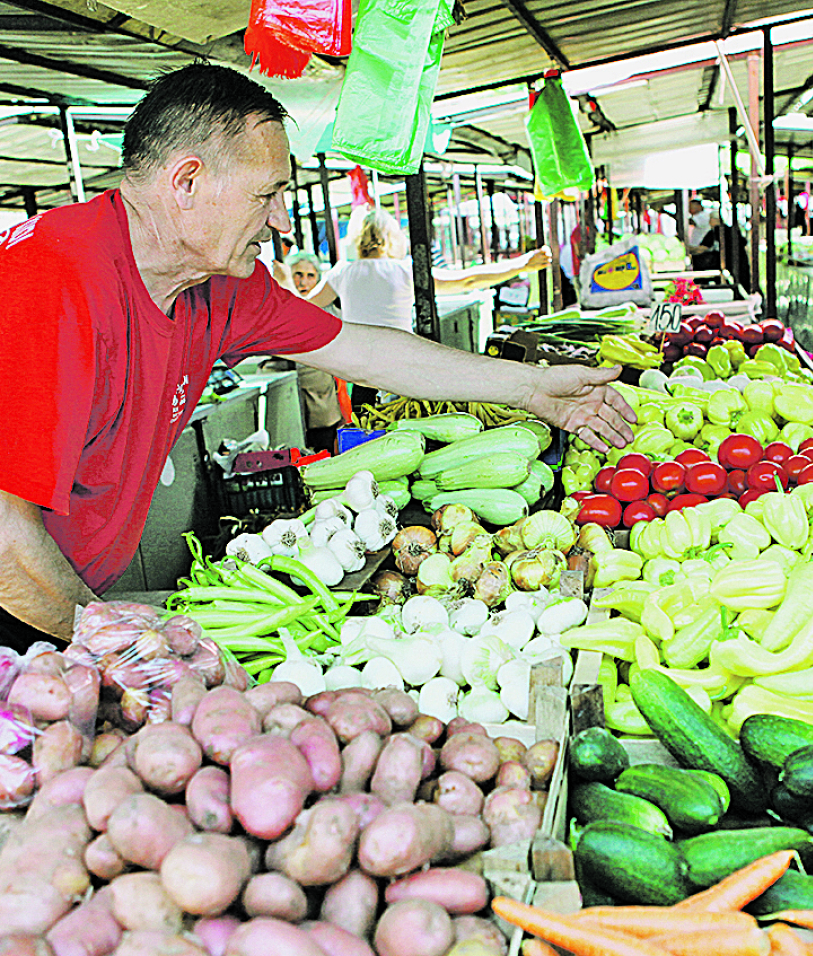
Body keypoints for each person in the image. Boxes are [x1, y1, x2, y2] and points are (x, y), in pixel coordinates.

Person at [0, 63, 633, 650]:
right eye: (267, 193)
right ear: (187, 181)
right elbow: (5, 542)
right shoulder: (45, 280)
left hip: (75, 609)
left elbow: (363, 349)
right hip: (25, 606)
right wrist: (110, 643)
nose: (281, 220)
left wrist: (530, 388)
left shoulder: (220, 284)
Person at [304, 207, 554, 411]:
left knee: (365, 429)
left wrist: (281, 282)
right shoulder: (403, 271)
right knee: (407, 429)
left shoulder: (341, 272)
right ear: (391, 238)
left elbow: (304, 307)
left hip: (358, 371)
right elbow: (467, 280)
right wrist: (521, 265)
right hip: (403, 366)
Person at [262, 250, 350, 453]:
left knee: (324, 443)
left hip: (319, 391)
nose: (303, 281)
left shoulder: (327, 308)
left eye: (310, 276)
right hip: (285, 387)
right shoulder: (273, 305)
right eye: (297, 275)